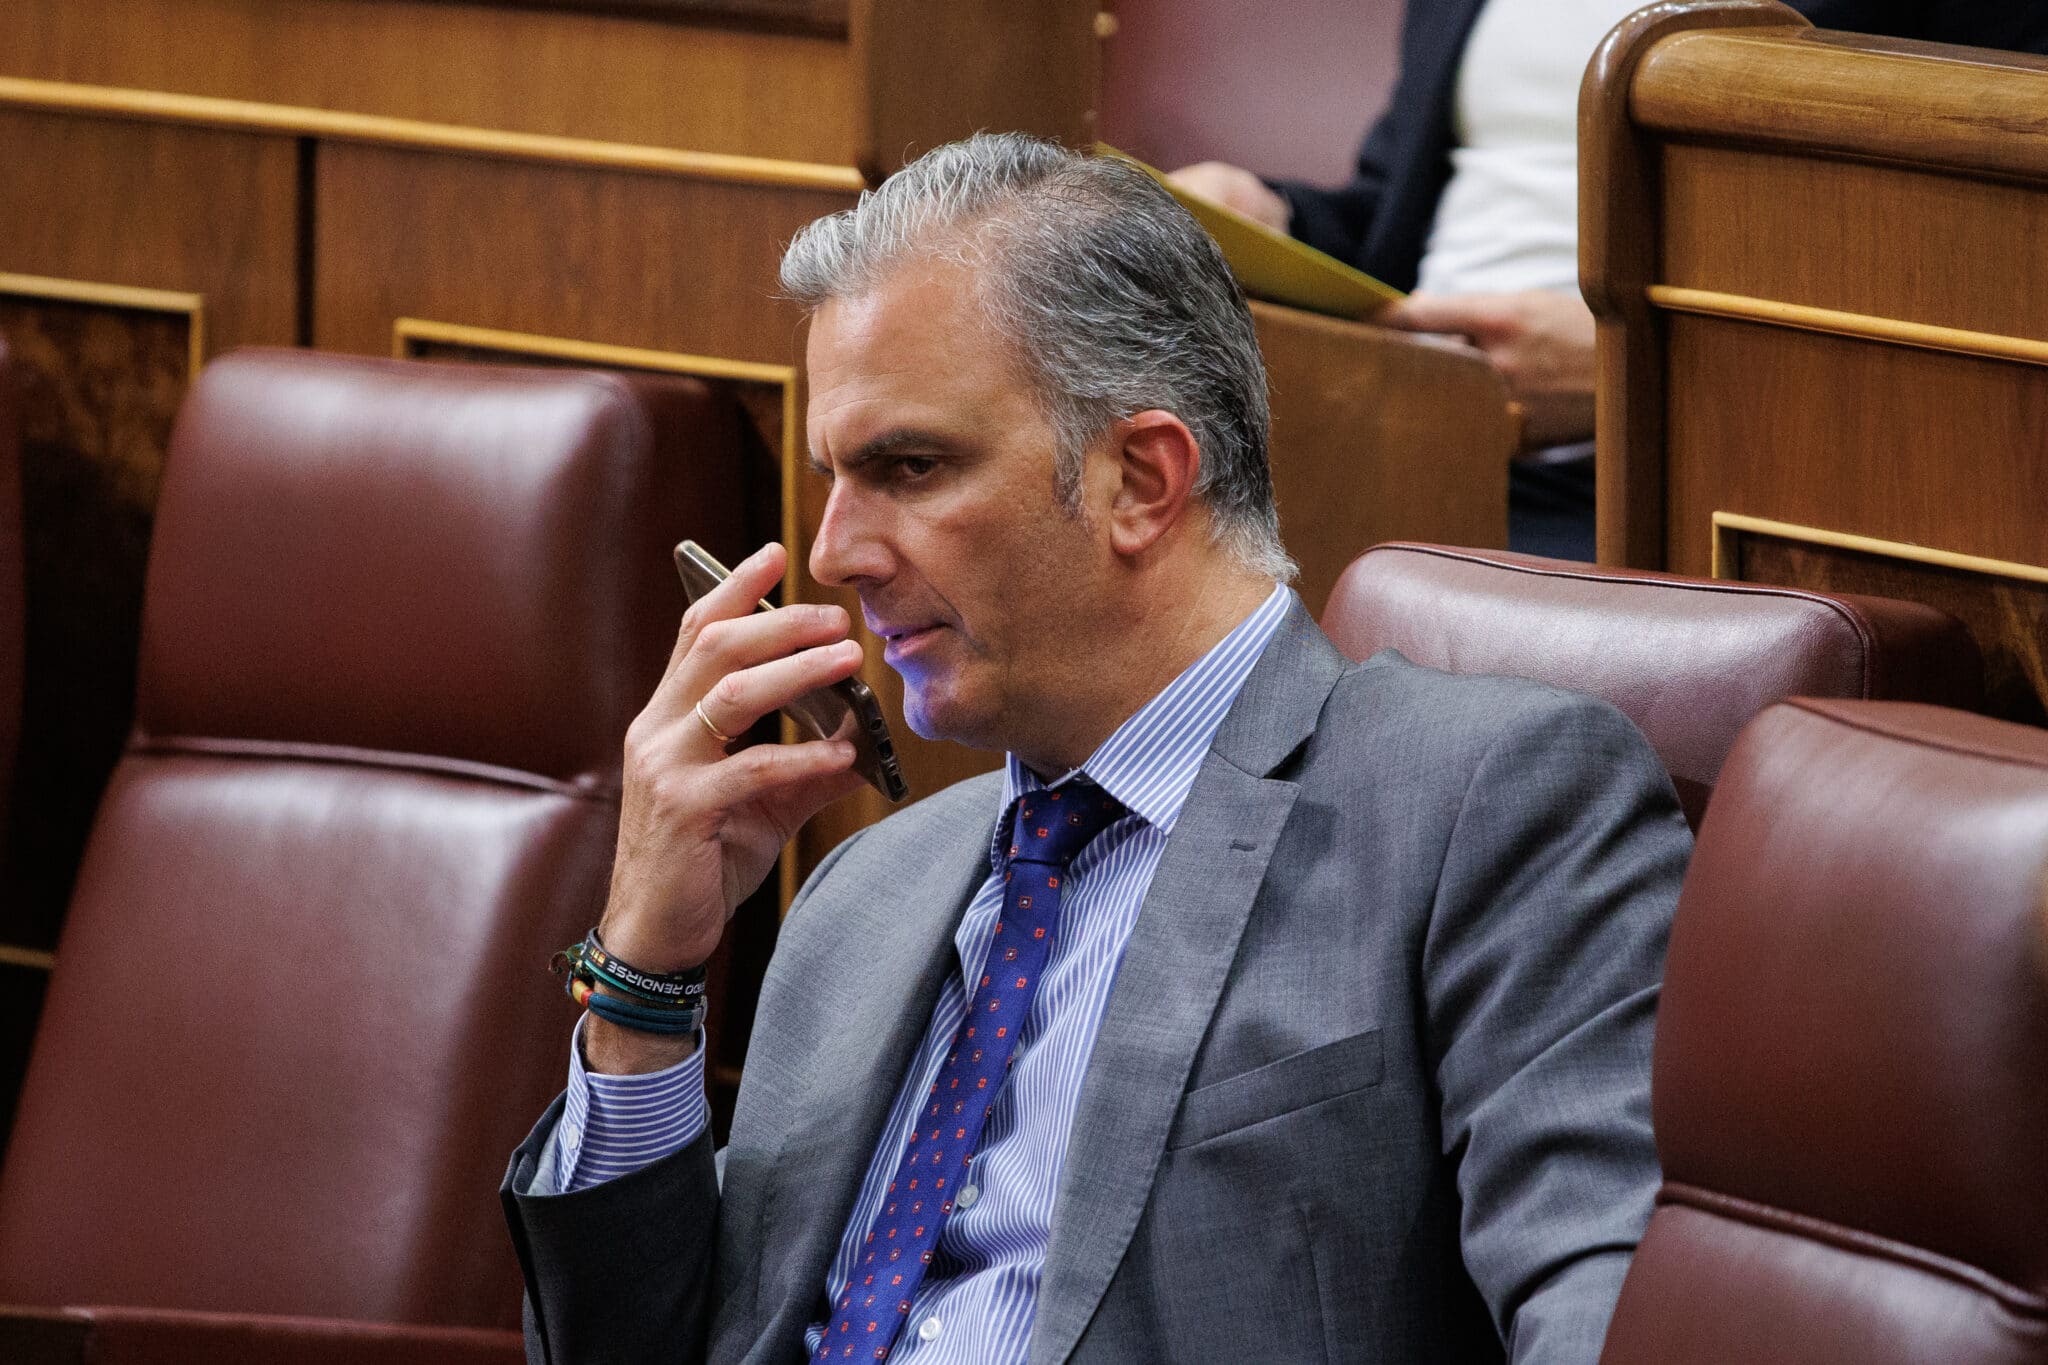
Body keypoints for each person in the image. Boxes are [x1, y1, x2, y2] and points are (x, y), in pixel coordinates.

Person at [501, 133, 1692, 1364]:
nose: (838, 553)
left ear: (1141, 478)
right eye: (833, 479)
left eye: (908, 467)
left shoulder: (1483, 805)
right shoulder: (865, 895)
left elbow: (1602, 1314)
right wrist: (645, 974)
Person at [1171, 0, 2048, 558]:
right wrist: (1270, 218)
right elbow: (1393, 223)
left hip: (1695, 485)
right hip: (1401, 432)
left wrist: (1626, 376)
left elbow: (1993, 270)